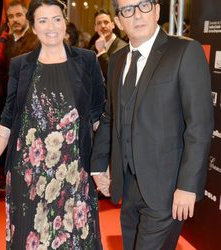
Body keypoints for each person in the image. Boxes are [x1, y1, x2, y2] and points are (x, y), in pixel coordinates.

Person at [0, 0, 105, 249]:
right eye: (43, 20)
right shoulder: (21, 65)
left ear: (64, 22)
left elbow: (98, 116)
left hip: (74, 172)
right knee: (30, 240)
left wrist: (104, 164)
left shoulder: (86, 61)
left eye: (56, 19)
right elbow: (8, 119)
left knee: (76, 240)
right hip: (29, 173)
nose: (51, 26)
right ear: (33, 27)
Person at [90, 0, 214, 249]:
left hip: (167, 188)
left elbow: (199, 125)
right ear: (118, 22)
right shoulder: (116, 60)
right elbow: (109, 115)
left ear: (157, 10)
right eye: (127, 10)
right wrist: (99, 165)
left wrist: (187, 186)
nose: (136, 15)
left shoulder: (185, 52)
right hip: (129, 185)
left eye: (143, 5)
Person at [92, 8, 127, 81]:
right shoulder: (92, 49)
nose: (103, 26)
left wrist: (101, 52)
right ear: (95, 28)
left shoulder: (123, 47)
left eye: (106, 22)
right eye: (99, 23)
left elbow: (115, 74)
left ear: (113, 25)